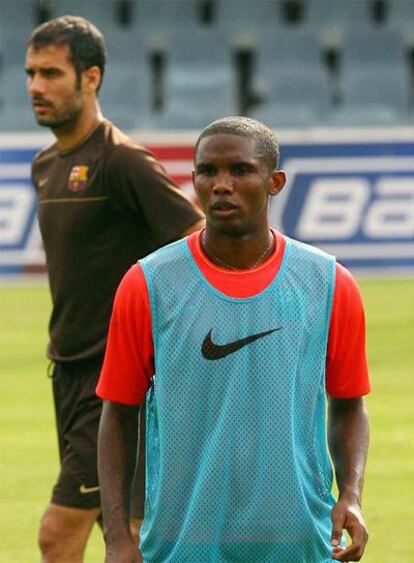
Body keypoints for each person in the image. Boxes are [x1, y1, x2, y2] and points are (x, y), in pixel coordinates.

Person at [97, 116, 370, 563]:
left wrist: (352, 494)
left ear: (274, 181)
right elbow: (117, 415)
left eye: (240, 170)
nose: (221, 184)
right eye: (208, 171)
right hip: (183, 543)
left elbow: (350, 405)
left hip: (299, 542)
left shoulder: (329, 283)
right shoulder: (146, 284)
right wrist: (116, 538)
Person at [25, 15, 204, 563]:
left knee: (59, 535)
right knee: (125, 534)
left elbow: (198, 235)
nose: (36, 86)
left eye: (52, 73)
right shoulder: (46, 164)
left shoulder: (121, 160)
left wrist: (166, 332)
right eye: (30, 73)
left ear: (91, 77)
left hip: (115, 380)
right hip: (69, 372)